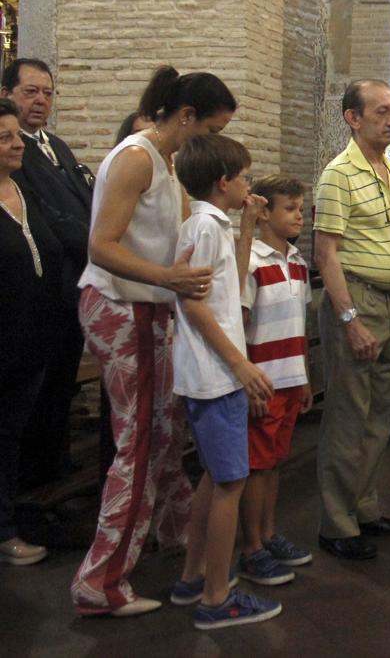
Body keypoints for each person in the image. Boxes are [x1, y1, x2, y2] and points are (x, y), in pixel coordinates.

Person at [71, 66, 235, 618]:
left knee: (164, 432)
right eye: (209, 130)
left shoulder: (165, 161)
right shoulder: (137, 156)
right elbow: (101, 247)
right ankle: (101, 581)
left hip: (148, 307)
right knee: (138, 442)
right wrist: (169, 281)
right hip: (120, 307)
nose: (210, 144)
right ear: (185, 117)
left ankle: (174, 532)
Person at [166, 134, 281, 630]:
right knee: (232, 482)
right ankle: (217, 597)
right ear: (223, 182)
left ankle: (194, 576)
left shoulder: (209, 224)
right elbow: (192, 303)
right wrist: (239, 363)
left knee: (215, 476)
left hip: (209, 372)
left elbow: (227, 290)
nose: (249, 184)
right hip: (215, 376)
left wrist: (249, 226)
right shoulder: (205, 227)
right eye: (246, 177)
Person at [312, 79, 390, 560]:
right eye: (382, 112)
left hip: (388, 304)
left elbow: (389, 243)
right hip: (358, 301)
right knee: (350, 417)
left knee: (379, 416)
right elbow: (326, 253)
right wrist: (349, 317)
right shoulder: (339, 173)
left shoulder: (386, 168)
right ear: (353, 118)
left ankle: (365, 507)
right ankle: (336, 522)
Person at [2, 59, 95, 487]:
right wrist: (99, 249)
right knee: (34, 393)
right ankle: (30, 480)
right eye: (30, 92)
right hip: (43, 288)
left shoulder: (55, 145)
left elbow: (83, 200)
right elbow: (51, 216)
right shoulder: (13, 152)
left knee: (60, 385)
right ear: (7, 94)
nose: (41, 100)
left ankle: (53, 465)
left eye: (47, 93)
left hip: (72, 285)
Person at [238, 175, 314, 578]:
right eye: (290, 208)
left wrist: (304, 378)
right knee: (256, 464)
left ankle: (268, 534)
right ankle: (251, 547)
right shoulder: (250, 261)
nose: (299, 215)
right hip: (262, 382)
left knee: (274, 463)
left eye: (301, 208)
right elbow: (240, 324)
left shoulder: (298, 263)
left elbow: (299, 324)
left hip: (289, 378)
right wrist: (248, 381)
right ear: (264, 211)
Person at [0, 97, 62, 567]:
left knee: (10, 438)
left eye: (16, 136)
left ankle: (5, 525)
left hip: (31, 340)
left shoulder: (23, 189)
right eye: (5, 138)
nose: (16, 144)